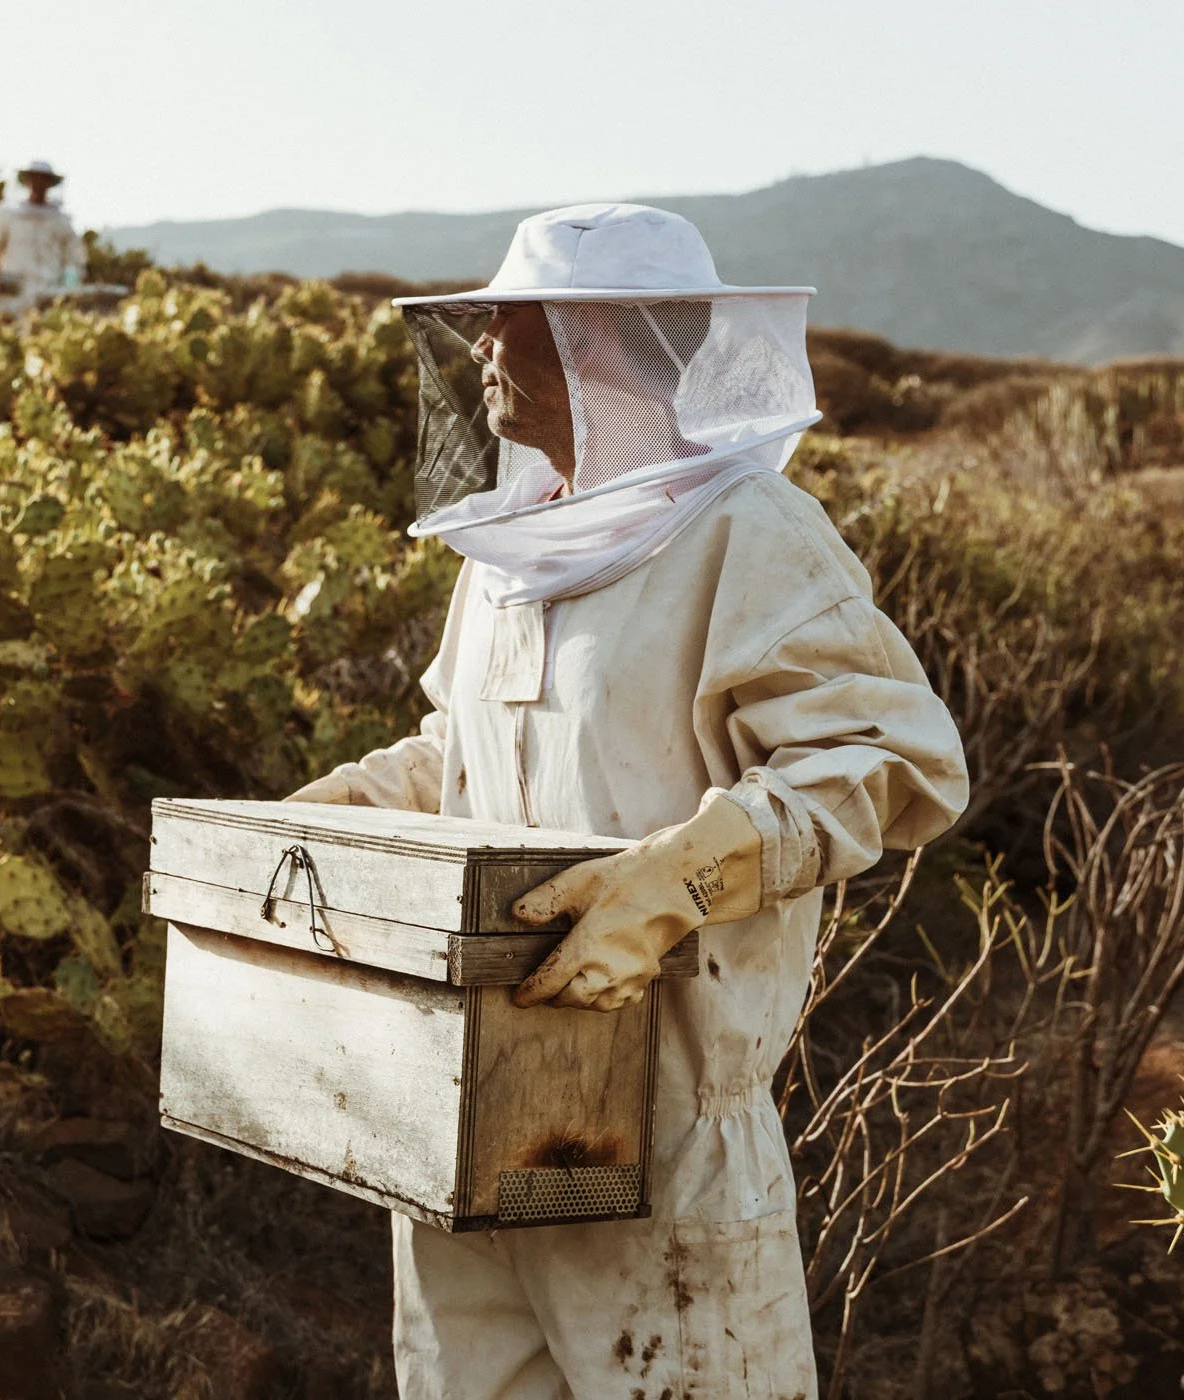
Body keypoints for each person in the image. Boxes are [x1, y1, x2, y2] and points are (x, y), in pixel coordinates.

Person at [289, 204, 969, 1399]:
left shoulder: (749, 531)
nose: (485, 353)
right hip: (467, 1116)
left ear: (591, 330)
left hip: (666, 1137)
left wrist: (675, 879)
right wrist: (328, 811)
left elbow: (888, 756)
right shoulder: (510, 555)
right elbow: (469, 755)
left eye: (508, 326)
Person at [0, 160, 86, 314]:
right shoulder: (6, 215)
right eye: (34, 178)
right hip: (11, 293)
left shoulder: (60, 221)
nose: (39, 184)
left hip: (49, 296)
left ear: (50, 183)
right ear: (26, 181)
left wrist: (70, 278)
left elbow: (74, 256)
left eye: (43, 179)